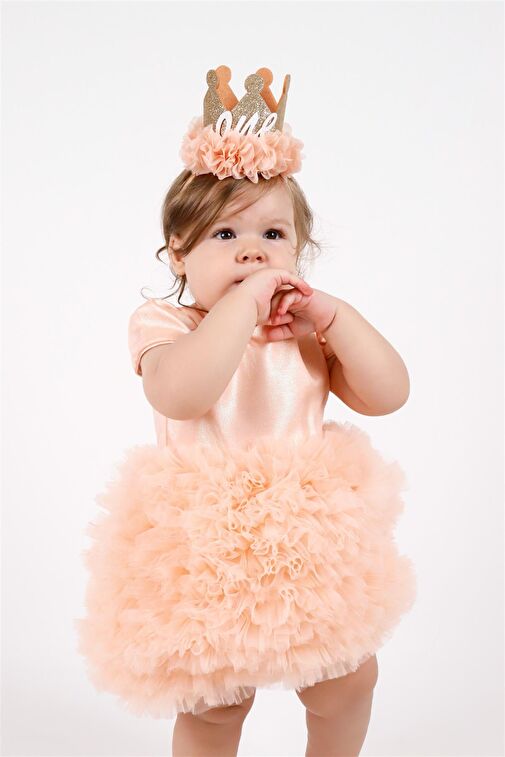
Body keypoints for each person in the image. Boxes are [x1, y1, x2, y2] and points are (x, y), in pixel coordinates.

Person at [75, 65, 417, 757]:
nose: (254, 250)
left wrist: (335, 319)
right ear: (179, 253)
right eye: (225, 236)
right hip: (201, 543)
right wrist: (240, 307)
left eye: (274, 234)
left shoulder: (305, 329)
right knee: (214, 702)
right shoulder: (168, 323)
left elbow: (388, 394)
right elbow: (181, 393)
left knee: (346, 680)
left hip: (308, 534)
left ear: (298, 252)